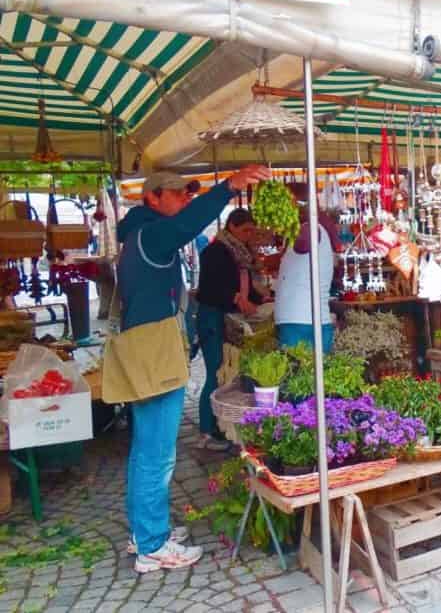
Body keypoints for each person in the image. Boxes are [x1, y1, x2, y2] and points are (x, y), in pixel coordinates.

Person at [116, 165, 270, 573]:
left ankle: (144, 533)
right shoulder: (151, 233)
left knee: (146, 447)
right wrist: (228, 188)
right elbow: (187, 224)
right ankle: (153, 545)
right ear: (152, 198)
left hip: (147, 345)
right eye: (176, 192)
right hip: (153, 349)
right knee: (157, 452)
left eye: (188, 193)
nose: (185, 198)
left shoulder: (140, 233)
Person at [195, 208, 268, 451]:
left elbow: (244, 284)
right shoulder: (216, 251)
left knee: (225, 374)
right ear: (232, 227)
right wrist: (236, 298)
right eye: (246, 230)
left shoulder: (240, 253)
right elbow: (211, 287)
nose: (249, 235)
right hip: (212, 319)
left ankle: (221, 424)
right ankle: (207, 431)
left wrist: (262, 297)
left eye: (252, 231)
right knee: (215, 371)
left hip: (227, 317)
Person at [274, 208, 340, 349]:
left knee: (297, 363)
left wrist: (287, 221)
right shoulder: (309, 232)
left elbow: (303, 242)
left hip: (301, 321)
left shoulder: (310, 229)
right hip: (301, 320)